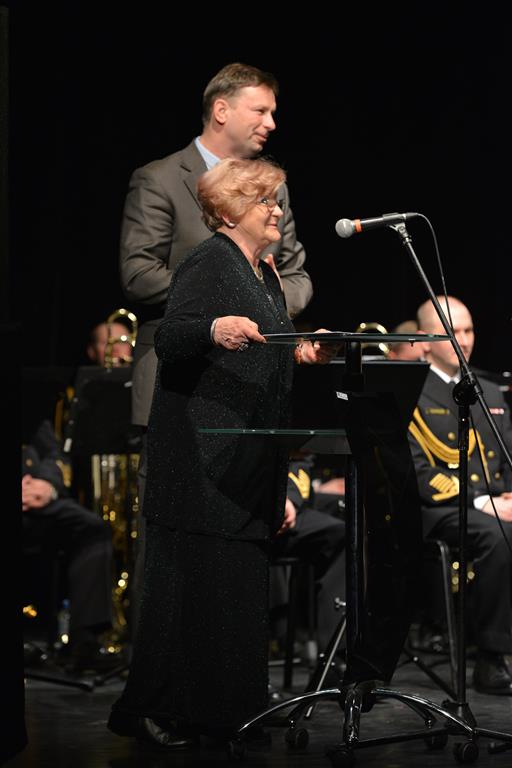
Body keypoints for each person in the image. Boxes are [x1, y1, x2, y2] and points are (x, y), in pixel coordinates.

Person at [108, 157, 335, 749]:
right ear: (232, 210)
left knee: (233, 585)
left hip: (245, 453)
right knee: (188, 588)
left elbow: (264, 350)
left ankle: (232, 706)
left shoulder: (263, 272)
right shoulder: (209, 260)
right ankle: (153, 708)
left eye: (277, 201)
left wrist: (299, 352)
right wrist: (213, 329)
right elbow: (172, 335)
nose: (277, 212)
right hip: (201, 456)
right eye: (267, 202)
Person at [120, 62, 312, 434]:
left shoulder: (274, 188)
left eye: (273, 113)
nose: (272, 123)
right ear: (221, 110)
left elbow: (297, 277)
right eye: (260, 111)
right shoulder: (160, 179)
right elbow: (139, 276)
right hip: (178, 380)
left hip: (253, 383)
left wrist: (262, 309)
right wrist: (232, 297)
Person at [408, 295, 512, 694]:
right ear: (425, 339)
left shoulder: (489, 391)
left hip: (494, 502)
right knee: (497, 536)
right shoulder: (411, 390)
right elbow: (418, 472)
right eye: (453, 332)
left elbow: (505, 457)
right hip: (440, 507)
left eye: (468, 330)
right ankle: (491, 657)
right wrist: (481, 501)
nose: (464, 340)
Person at [22, 419, 115, 673]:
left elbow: (54, 452)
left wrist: (47, 484)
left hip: (37, 498)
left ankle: (83, 641)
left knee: (92, 529)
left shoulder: (27, 410)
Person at [271, 455, 346, 655]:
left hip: (285, 501)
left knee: (341, 535)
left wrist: (288, 498)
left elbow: (299, 457)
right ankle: (277, 634)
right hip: (242, 501)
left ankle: (334, 654)